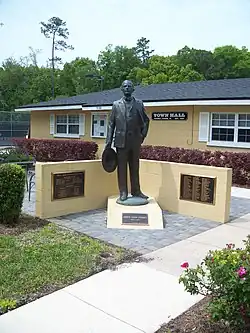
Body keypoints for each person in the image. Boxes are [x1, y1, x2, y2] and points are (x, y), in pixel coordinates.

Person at [105, 80, 150, 202]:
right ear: (121, 89)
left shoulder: (139, 104)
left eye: (129, 86)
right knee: (122, 168)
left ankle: (136, 191)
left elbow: (146, 121)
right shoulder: (116, 105)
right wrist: (108, 141)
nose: (127, 88)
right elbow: (111, 124)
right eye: (125, 86)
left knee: (135, 167)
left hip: (135, 141)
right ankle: (123, 192)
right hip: (121, 142)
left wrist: (142, 136)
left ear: (133, 89)